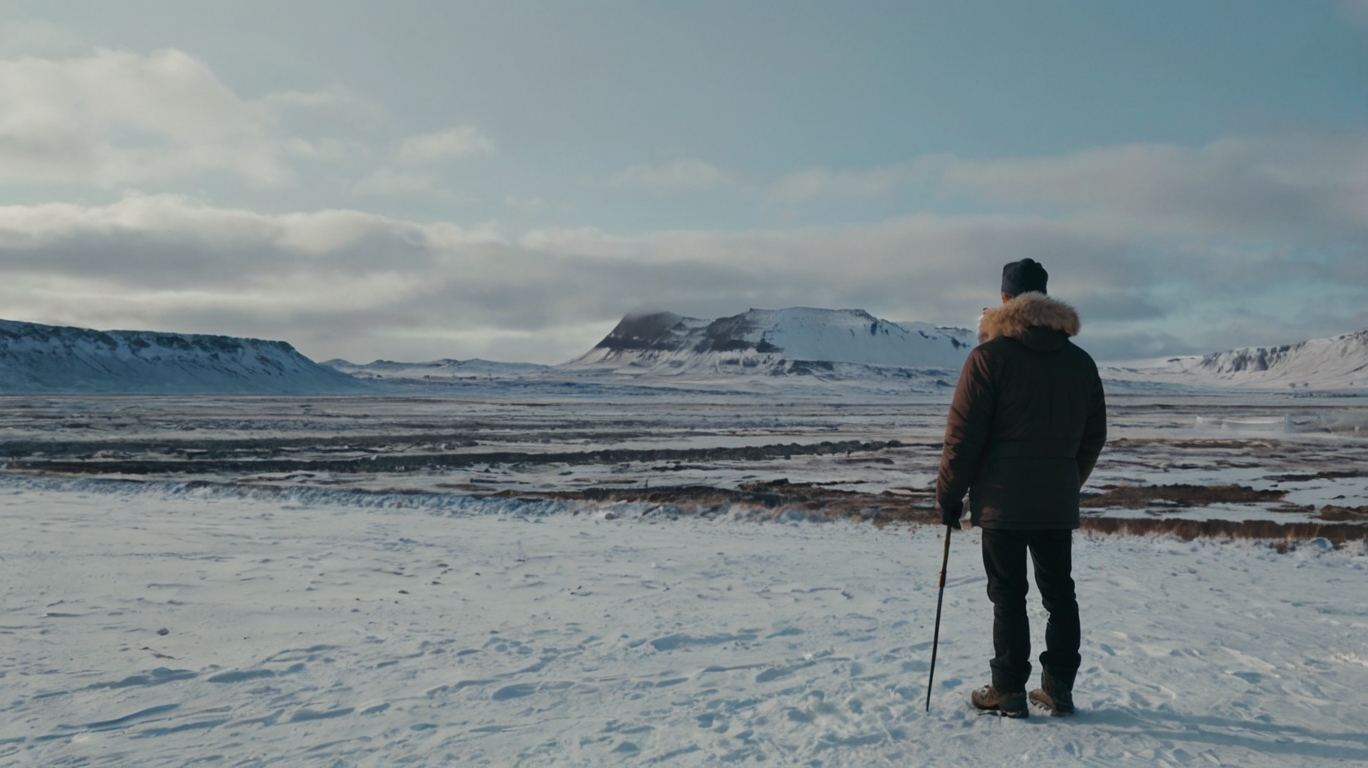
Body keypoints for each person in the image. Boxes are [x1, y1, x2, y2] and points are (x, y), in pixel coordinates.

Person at [934, 258, 1107, 718]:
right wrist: (1067, 479)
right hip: (1055, 500)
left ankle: (1008, 690)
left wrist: (949, 497)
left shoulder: (987, 359)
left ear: (1006, 300)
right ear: (1045, 298)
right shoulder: (1080, 362)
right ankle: (1059, 688)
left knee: (1008, 595)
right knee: (1059, 594)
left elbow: (962, 437)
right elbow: (1094, 434)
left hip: (1002, 503)